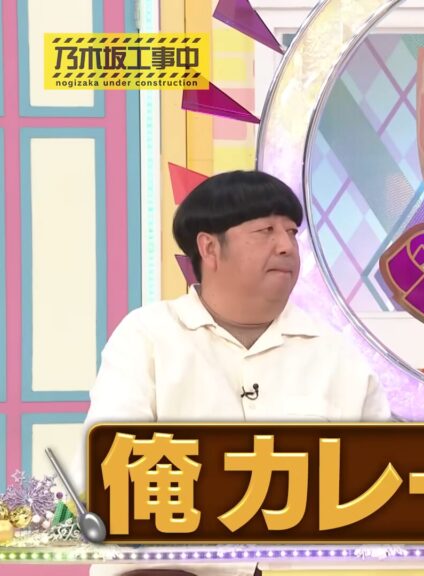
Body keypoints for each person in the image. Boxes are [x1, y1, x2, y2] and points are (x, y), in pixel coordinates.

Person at [73, 170, 390, 576]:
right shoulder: (148, 336)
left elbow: (383, 492)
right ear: (209, 248)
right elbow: (107, 476)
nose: (286, 246)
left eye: (292, 232)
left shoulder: (337, 355)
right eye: (265, 230)